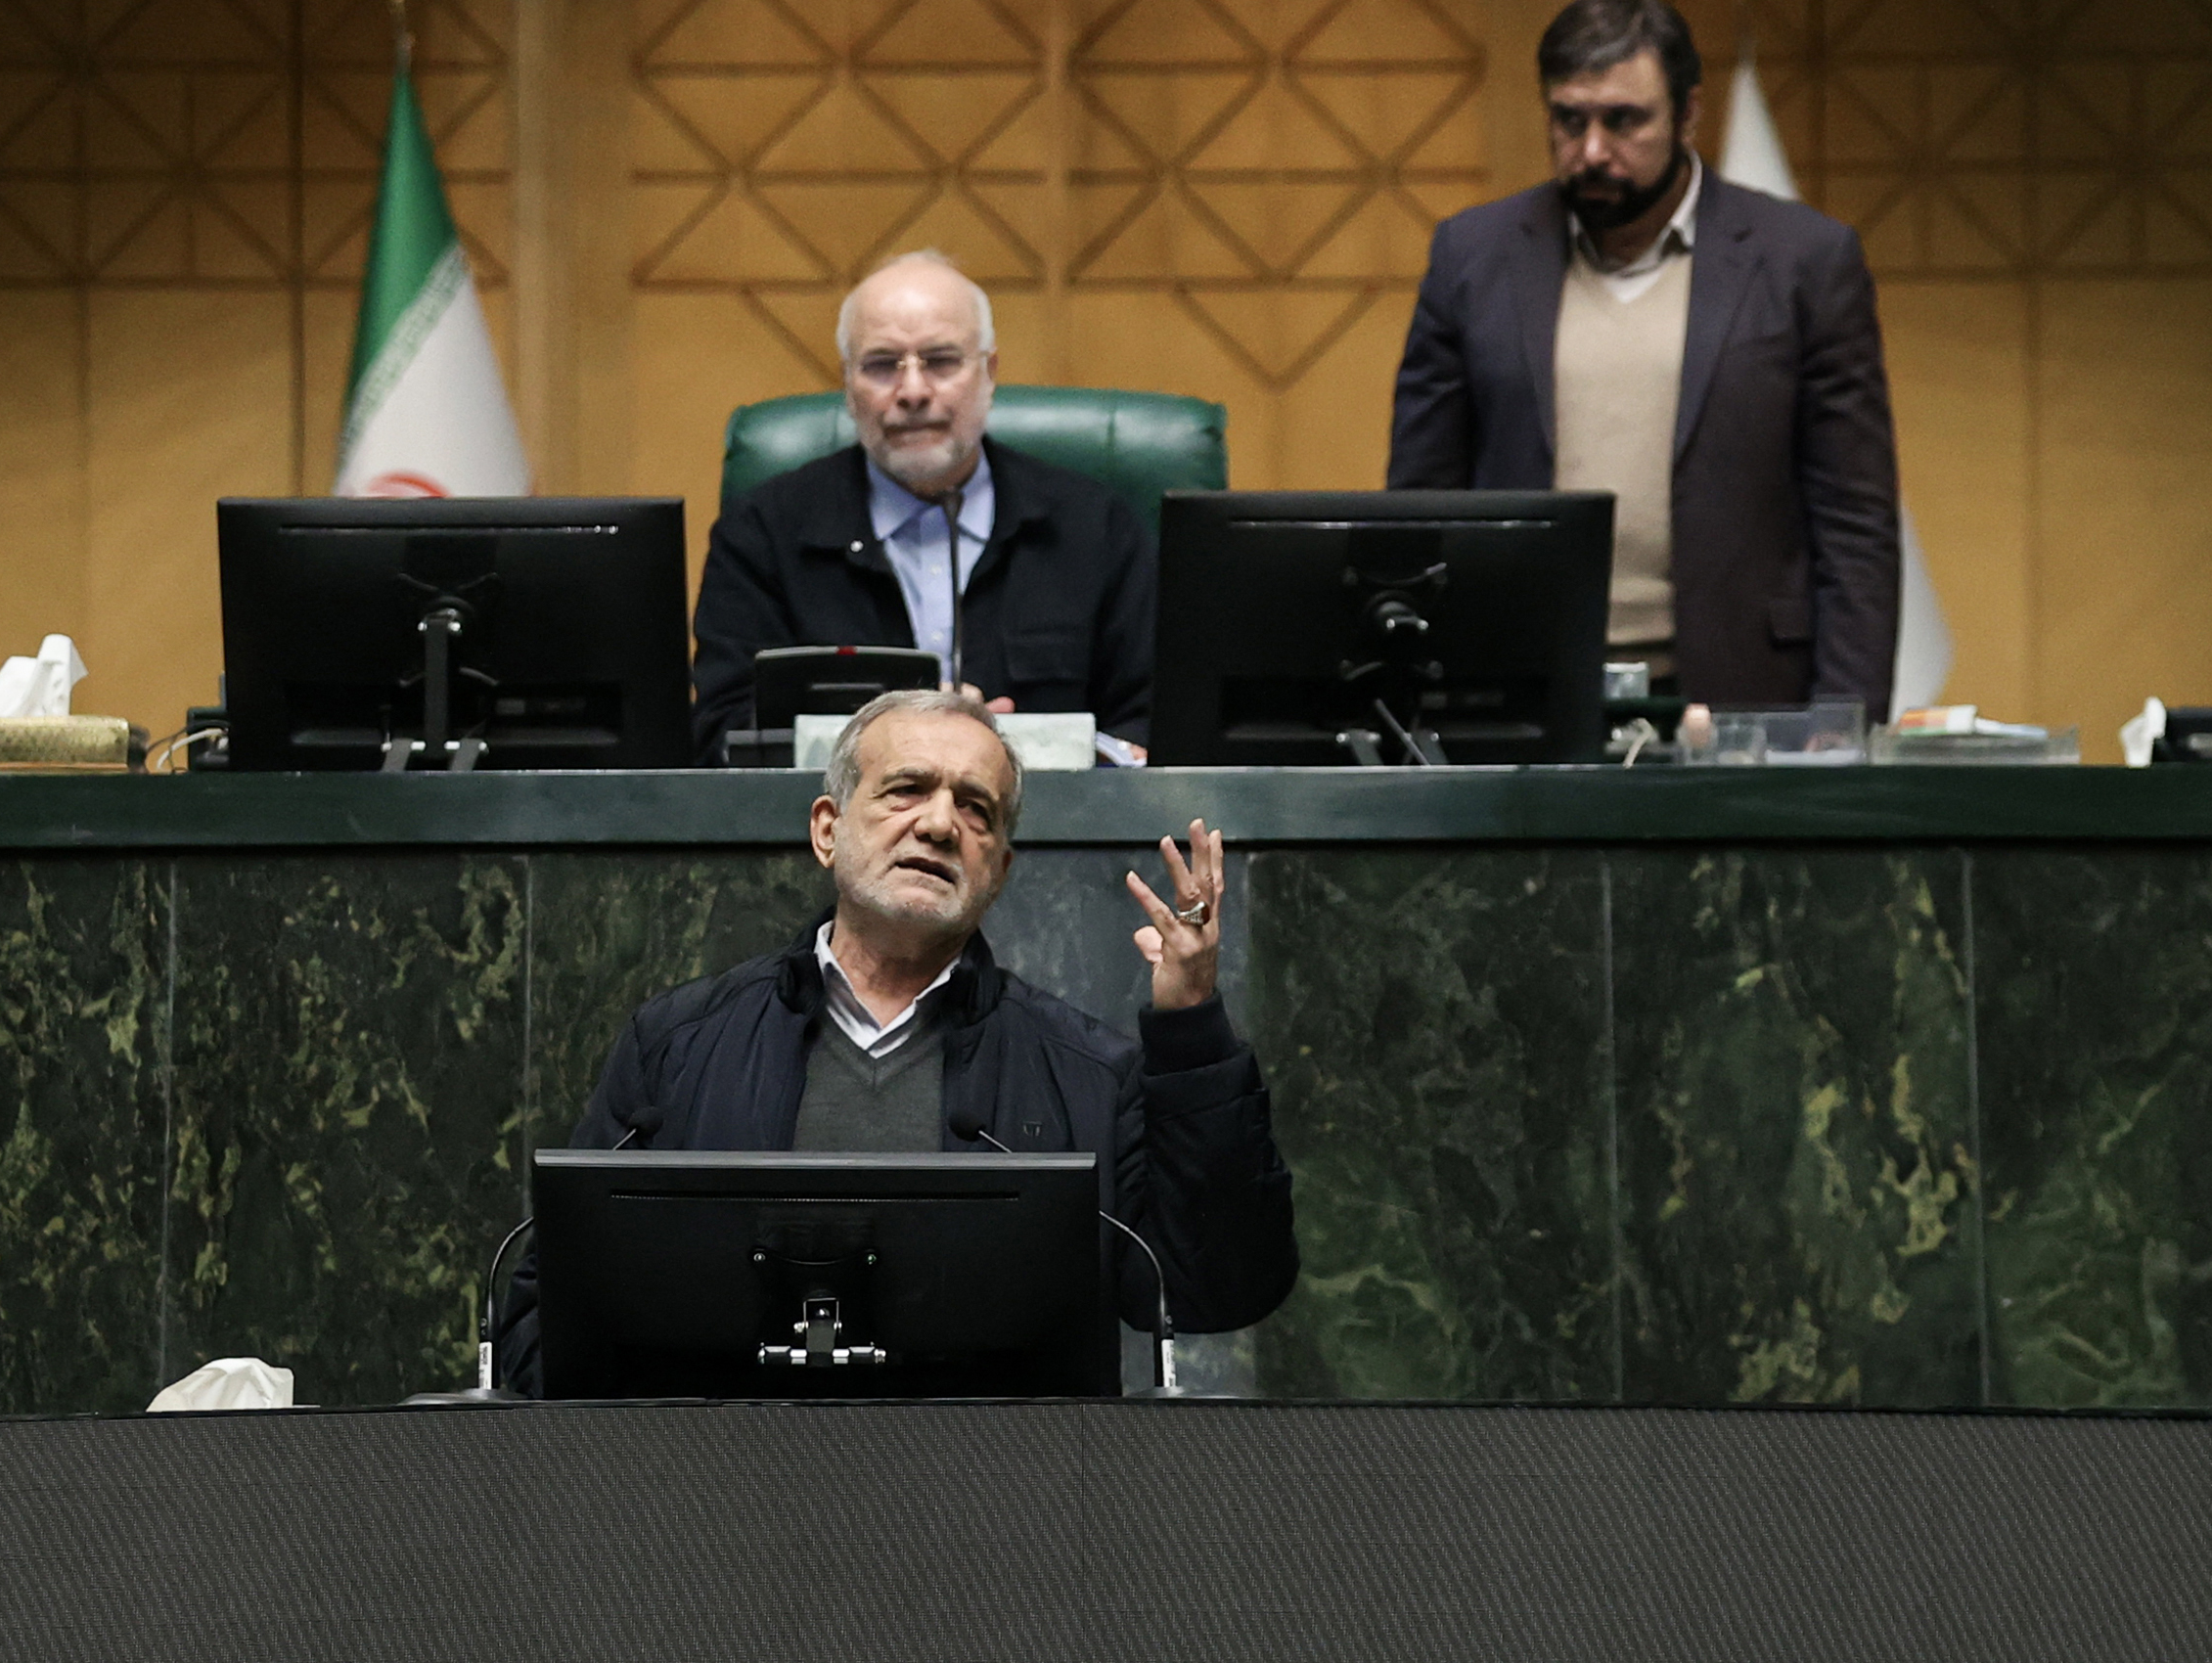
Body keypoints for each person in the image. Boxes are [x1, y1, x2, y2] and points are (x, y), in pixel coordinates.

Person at [496, 688, 1297, 1393]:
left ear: (1002, 868)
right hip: (725, 1511)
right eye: (907, 789)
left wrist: (1191, 1024)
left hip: (995, 1523)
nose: (942, 823)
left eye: (976, 809)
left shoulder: (1087, 1073)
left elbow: (1213, 1290)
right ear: (827, 830)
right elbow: (547, 1319)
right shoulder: (678, 1046)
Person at [1386, 0, 1900, 717]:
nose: (1592, 150)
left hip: (1743, 693)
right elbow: (1417, 509)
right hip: (1518, 693)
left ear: (1688, 114)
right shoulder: (1473, 258)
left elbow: (1855, 522)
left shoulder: (1804, 262)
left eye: (1624, 121)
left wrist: (1843, 721)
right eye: (1569, 120)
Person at [689, 250, 1155, 764]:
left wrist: (1009, 748)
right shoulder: (763, 533)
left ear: (989, 372)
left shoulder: (1094, 527)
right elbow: (723, 737)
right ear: (848, 384)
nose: (912, 391)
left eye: (940, 361)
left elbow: (1150, 723)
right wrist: (899, 739)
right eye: (882, 365)